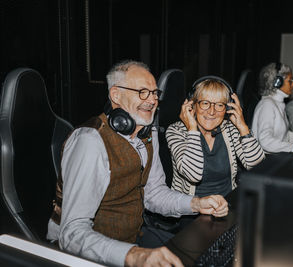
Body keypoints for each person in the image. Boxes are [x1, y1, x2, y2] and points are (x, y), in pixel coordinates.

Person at [46, 60, 229, 267]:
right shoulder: (90, 141)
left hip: (132, 239)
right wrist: (134, 256)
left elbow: (154, 194)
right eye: (142, 92)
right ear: (116, 95)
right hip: (89, 252)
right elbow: (72, 235)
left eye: (154, 93)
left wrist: (196, 203)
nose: (152, 100)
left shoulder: (147, 131)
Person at [166, 77, 265, 197]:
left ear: (228, 108)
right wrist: (192, 130)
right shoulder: (176, 131)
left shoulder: (230, 129)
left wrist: (243, 127)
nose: (212, 111)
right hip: (190, 209)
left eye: (219, 105)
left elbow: (257, 167)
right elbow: (193, 175)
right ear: (193, 105)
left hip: (227, 205)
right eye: (205, 103)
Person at [252, 62, 293, 154]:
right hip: (265, 162)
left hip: (274, 158)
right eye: (290, 81)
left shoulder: (278, 104)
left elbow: (280, 136)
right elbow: (265, 141)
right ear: (277, 82)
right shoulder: (267, 105)